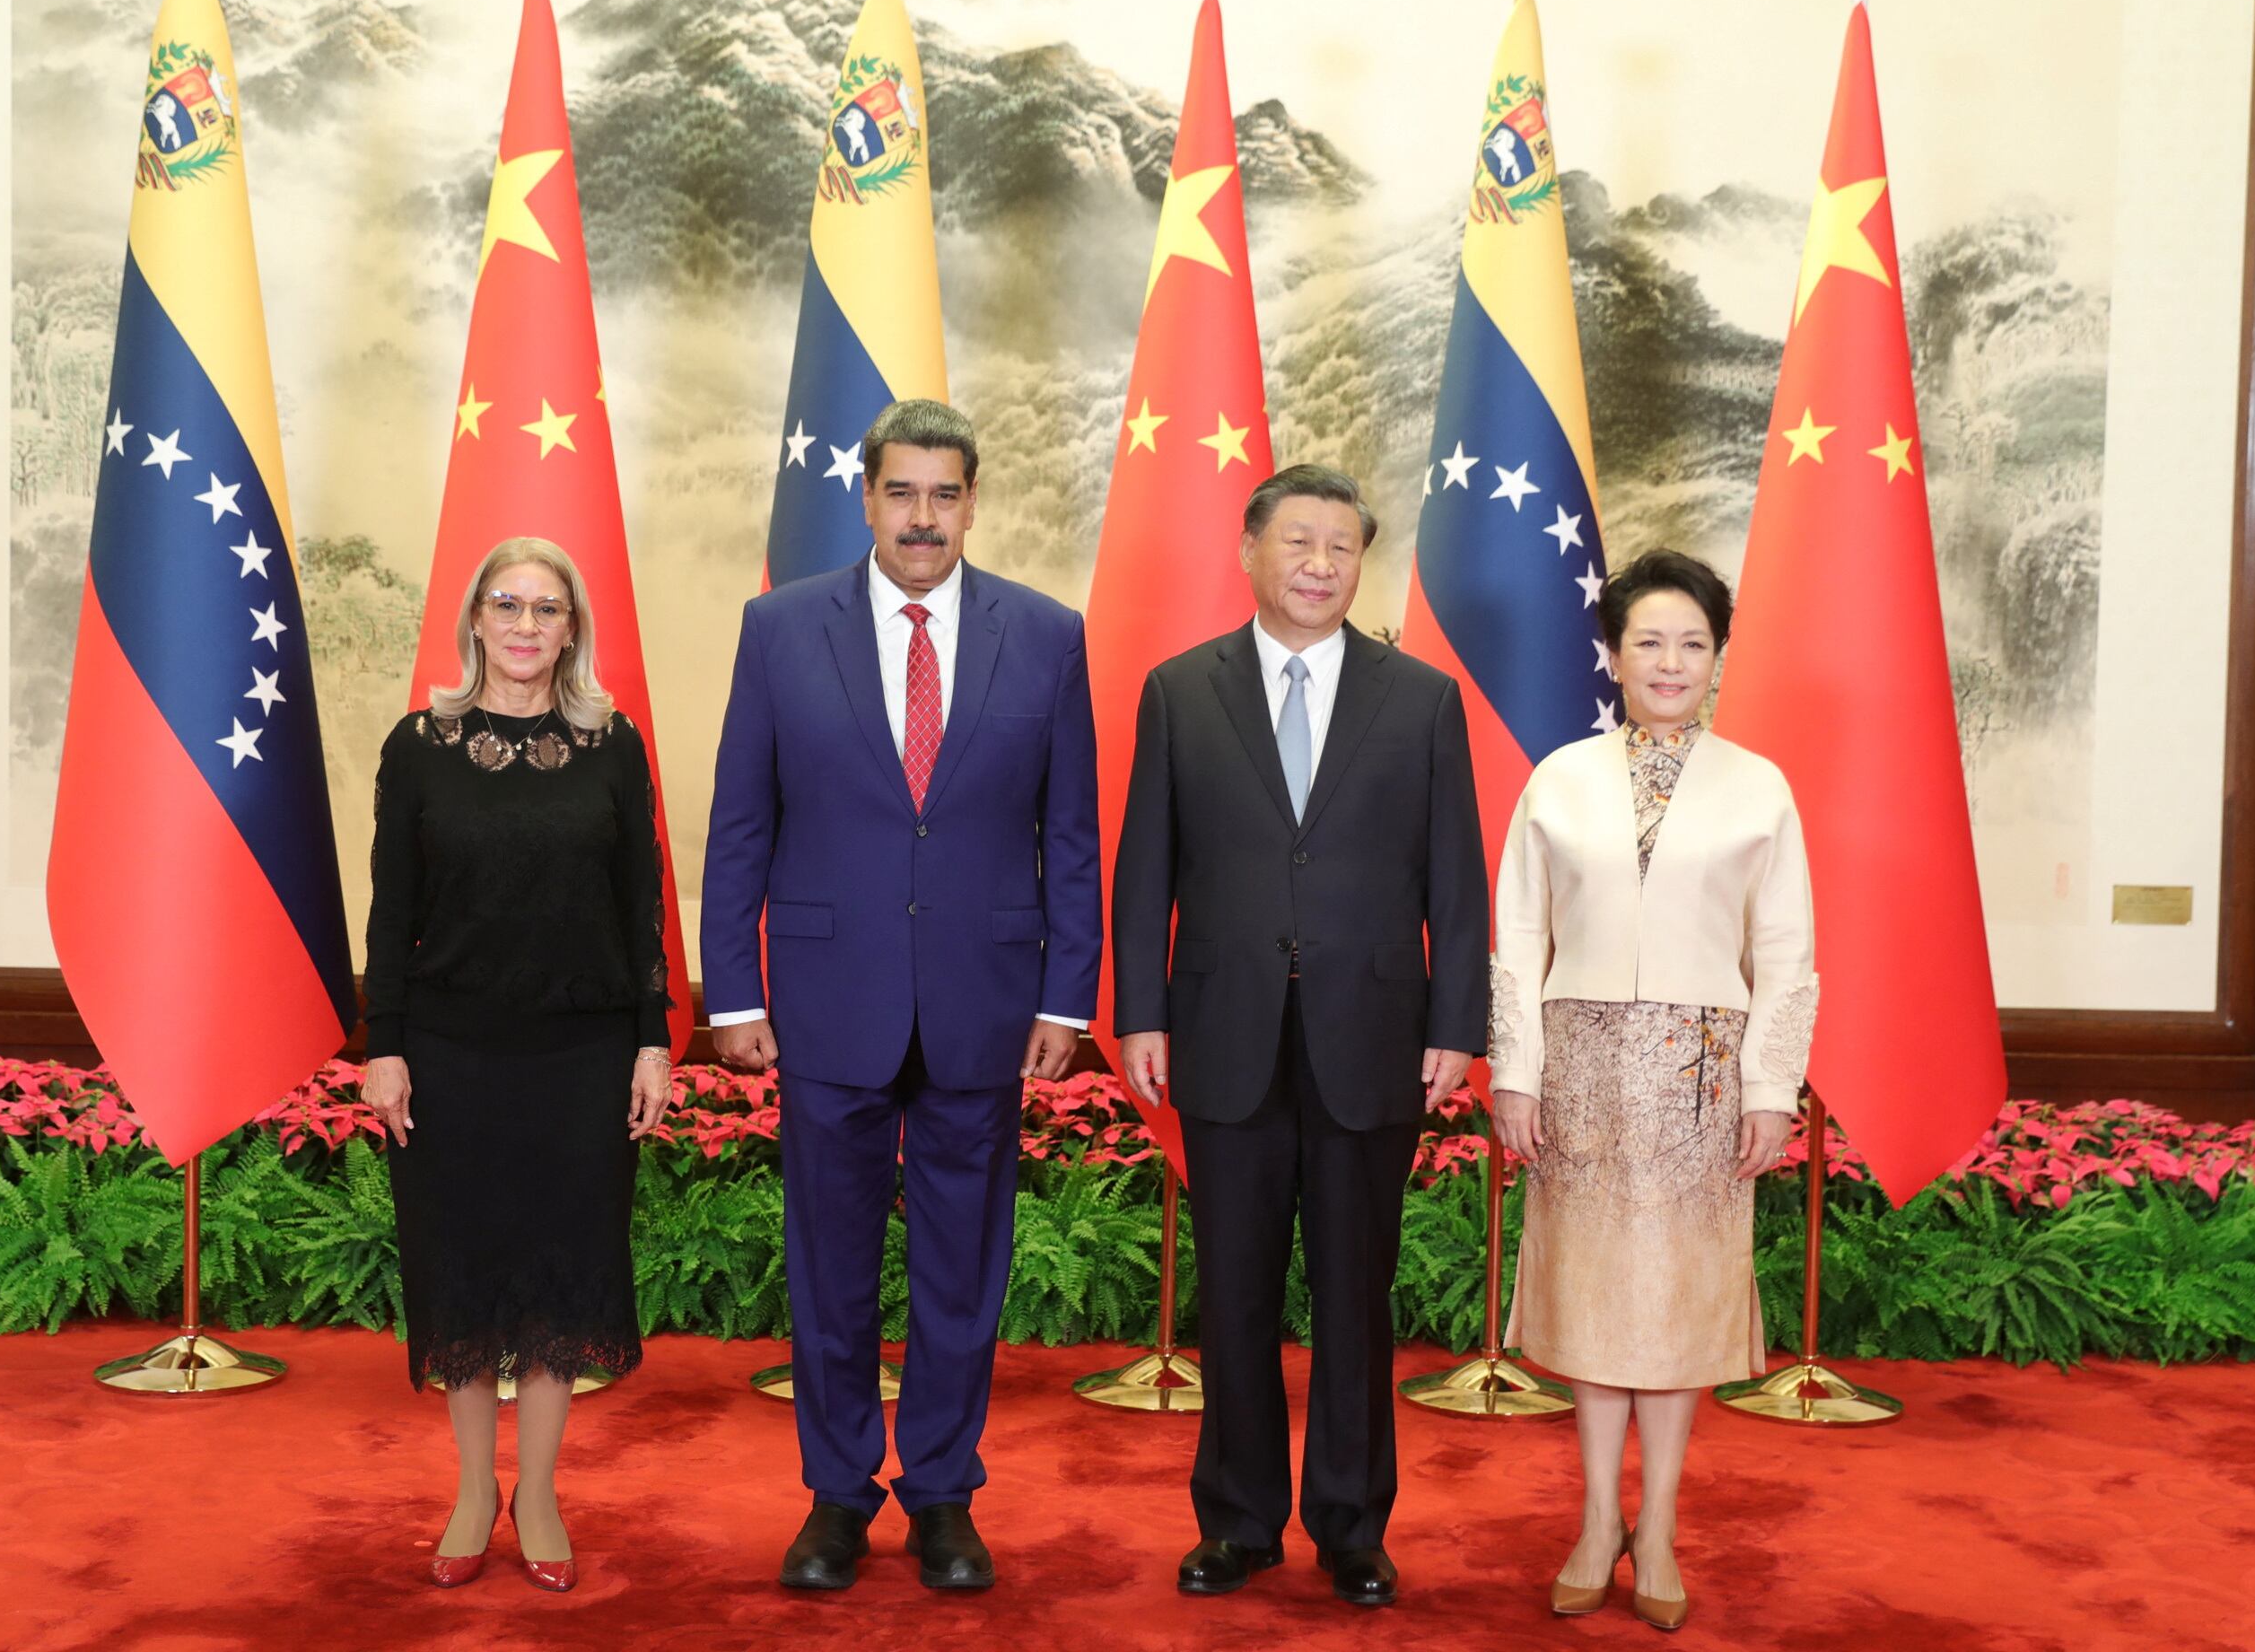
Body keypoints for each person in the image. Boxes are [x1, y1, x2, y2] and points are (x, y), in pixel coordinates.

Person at [701, 398, 1100, 1593]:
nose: (923, 517)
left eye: (946, 494)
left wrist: (1066, 998)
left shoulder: (1047, 635)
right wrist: (732, 991)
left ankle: (941, 1494)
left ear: (972, 501)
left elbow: (1070, 835)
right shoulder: (779, 630)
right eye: (902, 493)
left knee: (960, 1275)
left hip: (986, 1001)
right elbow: (739, 825)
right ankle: (834, 1497)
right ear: (866, 498)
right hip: (828, 1001)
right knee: (828, 1272)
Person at [1113, 464, 1490, 1609]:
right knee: (1231, 1292)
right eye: (1300, 542)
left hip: (1372, 1036)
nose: (1320, 564)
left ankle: (1351, 1522)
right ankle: (1235, 1519)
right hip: (1224, 1031)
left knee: (1353, 1294)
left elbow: (1458, 880)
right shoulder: (1181, 690)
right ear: (1251, 550)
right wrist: (1139, 1007)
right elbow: (1145, 870)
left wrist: (1457, 1021)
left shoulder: (1419, 699)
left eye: (1341, 547)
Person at [1489, 548, 1816, 1633]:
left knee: (1678, 1306)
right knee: (1591, 1298)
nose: (1669, 661)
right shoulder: (1559, 776)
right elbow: (1517, 938)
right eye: (1648, 640)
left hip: (1701, 1079)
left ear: (1718, 657)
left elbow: (1787, 952)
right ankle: (1594, 1519)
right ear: (1613, 652)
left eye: (1692, 643)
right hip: (1578, 1066)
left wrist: (1773, 1086)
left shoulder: (1759, 785)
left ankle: (1661, 1524)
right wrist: (1516, 1072)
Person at [358, 536, 676, 1595]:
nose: (528, 624)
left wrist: (652, 1035)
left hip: (581, 1058)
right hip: (450, 1057)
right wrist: (386, 1048)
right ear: (476, 621)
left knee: (555, 1280)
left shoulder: (613, 746)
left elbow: (643, 907)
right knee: (465, 1279)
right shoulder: (420, 744)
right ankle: (469, 1489)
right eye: (509, 604)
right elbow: (390, 912)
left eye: (549, 607)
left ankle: (536, 1492)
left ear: (572, 626)